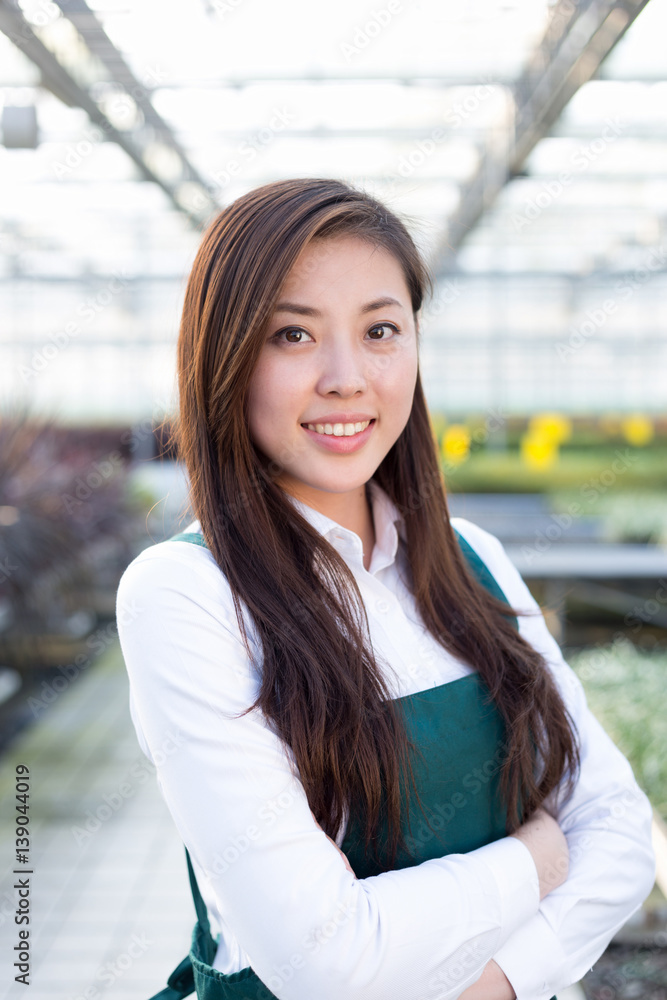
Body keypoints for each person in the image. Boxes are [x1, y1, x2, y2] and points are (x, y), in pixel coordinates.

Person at [115, 177, 655, 1000]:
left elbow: (618, 832)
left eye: (379, 330)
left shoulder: (470, 559)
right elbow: (324, 963)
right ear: (224, 357)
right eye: (292, 334)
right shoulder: (184, 597)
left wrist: (502, 983)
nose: (346, 377)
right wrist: (535, 860)